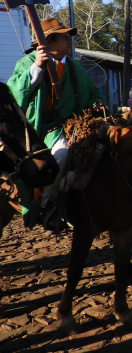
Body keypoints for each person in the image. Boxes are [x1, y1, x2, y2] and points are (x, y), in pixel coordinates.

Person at [7, 18, 106, 229]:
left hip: (77, 124)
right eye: (65, 38)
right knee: (60, 154)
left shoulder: (74, 66)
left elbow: (93, 92)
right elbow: (14, 94)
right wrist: (37, 67)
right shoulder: (26, 63)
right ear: (48, 42)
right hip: (41, 129)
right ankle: (47, 203)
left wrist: (98, 102)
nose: (70, 42)